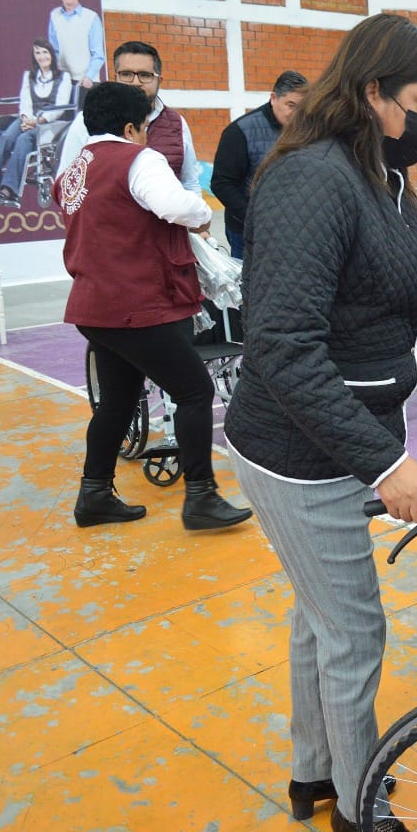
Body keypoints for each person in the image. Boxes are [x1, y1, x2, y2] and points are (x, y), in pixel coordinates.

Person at [222, 14, 417, 832]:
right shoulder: (313, 180)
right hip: (300, 452)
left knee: (320, 620)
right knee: (354, 631)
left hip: (341, 437)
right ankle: (359, 810)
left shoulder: (384, 179)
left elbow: (400, 308)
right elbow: (283, 347)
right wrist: (386, 464)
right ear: (372, 91)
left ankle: (314, 774)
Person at [53, 81, 253, 532]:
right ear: (130, 126)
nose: (146, 134)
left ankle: (95, 494)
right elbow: (175, 206)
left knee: (118, 401)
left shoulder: (75, 170)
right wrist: (201, 213)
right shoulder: (138, 159)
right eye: (143, 126)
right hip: (140, 302)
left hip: (94, 305)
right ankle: (201, 497)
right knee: (195, 392)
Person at [56, 41, 202, 194]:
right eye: (126, 74)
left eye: (145, 75)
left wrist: (197, 216)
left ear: (159, 81)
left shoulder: (176, 124)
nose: (135, 82)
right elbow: (64, 184)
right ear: (115, 77)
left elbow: (190, 183)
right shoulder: (85, 122)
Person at [211, 70, 308, 258]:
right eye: (291, 105)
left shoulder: (306, 131)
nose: (297, 115)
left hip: (292, 230)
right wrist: (254, 219)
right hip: (247, 232)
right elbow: (222, 184)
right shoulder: (240, 131)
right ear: (273, 98)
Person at [0, 39, 73, 208]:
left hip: (51, 122)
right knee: (6, 137)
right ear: (34, 56)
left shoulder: (63, 77)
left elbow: (59, 108)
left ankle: (10, 191)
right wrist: (26, 119)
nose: (42, 56)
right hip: (29, 118)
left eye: (45, 52)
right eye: (38, 53)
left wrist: (37, 121)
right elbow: (25, 102)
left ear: (51, 54)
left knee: (23, 140)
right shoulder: (29, 76)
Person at [47, 0, 104, 104]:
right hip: (63, 82)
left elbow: (98, 55)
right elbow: (54, 51)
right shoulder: (54, 15)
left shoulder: (91, 17)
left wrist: (89, 77)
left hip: (86, 82)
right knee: (63, 120)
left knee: (85, 120)